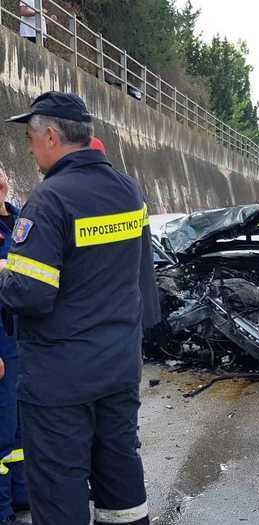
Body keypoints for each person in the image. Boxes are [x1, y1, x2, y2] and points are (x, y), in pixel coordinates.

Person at [2, 91, 156, 525]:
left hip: (60, 380)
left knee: (58, 486)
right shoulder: (129, 190)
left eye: (30, 139)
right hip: (119, 367)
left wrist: (4, 274)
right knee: (120, 472)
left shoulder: (50, 200)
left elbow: (30, 294)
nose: (30, 149)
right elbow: (143, 279)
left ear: (51, 136)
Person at [0, 168, 29, 525]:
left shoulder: (22, 221)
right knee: (2, 430)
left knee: (21, 426)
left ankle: (22, 495)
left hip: (24, 339)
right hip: (2, 341)